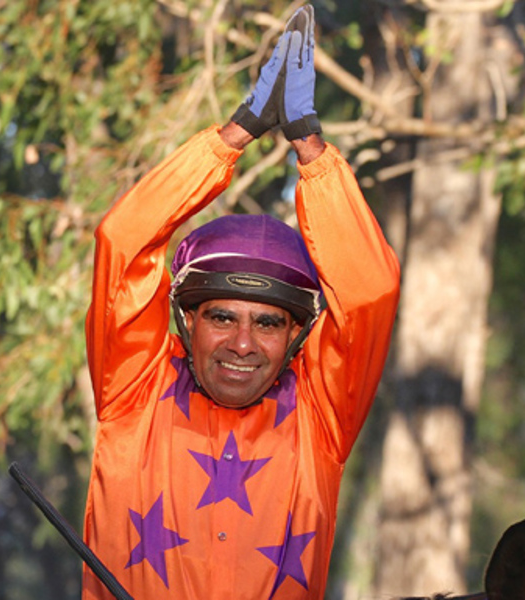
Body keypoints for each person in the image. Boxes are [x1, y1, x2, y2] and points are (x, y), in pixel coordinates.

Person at [83, 6, 400, 600]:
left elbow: (369, 290)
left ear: (298, 336)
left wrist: (310, 149)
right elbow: (123, 241)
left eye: (269, 323)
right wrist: (234, 135)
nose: (243, 344)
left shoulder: (322, 415)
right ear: (187, 320)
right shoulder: (132, 389)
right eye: (223, 317)